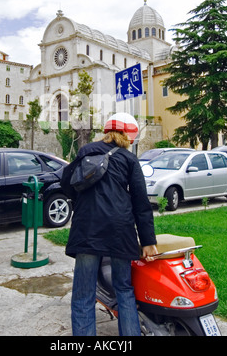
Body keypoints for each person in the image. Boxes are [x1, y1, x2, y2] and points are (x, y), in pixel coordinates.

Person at [61, 112, 157, 336]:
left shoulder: (86, 151)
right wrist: (148, 241)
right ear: (129, 135)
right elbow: (141, 202)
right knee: (123, 289)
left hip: (87, 229)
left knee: (83, 294)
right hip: (120, 231)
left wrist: (83, 202)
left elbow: (67, 182)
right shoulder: (129, 159)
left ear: (107, 131)